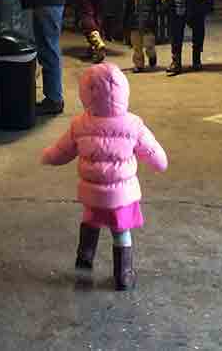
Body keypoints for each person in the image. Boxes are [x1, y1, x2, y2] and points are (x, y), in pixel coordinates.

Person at [41, 63, 168, 291]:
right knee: (121, 232)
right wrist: (161, 163)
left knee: (90, 221)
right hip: (122, 194)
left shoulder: (79, 124)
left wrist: (48, 157)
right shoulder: (133, 124)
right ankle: (124, 275)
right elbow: (152, 151)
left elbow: (62, 151)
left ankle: (84, 261)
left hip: (92, 193)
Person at [123, 0, 159, 72]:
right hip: (135, 25)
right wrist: (125, 25)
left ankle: (152, 56)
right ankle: (139, 65)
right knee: (137, 48)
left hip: (149, 25)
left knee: (149, 45)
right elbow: (126, 11)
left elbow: (157, 9)